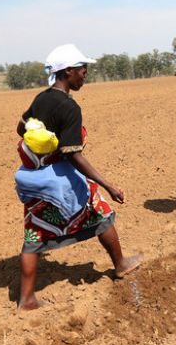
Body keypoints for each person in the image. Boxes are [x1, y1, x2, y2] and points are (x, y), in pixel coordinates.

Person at [14, 44, 141, 311]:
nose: (85, 74)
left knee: (34, 235)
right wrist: (108, 184)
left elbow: (20, 127)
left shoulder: (42, 98)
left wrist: (40, 140)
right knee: (101, 212)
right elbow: (73, 154)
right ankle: (120, 264)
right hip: (60, 179)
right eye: (83, 69)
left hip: (37, 178)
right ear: (68, 71)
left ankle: (26, 299)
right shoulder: (69, 107)